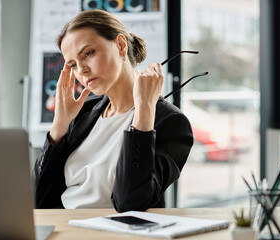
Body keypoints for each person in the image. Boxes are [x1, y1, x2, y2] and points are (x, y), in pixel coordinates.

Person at [33, 9, 194, 212]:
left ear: (120, 45)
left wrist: (144, 110)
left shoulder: (170, 123)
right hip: (65, 226)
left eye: (88, 53)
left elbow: (131, 202)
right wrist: (59, 125)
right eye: (73, 64)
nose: (81, 70)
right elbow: (38, 200)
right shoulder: (83, 113)